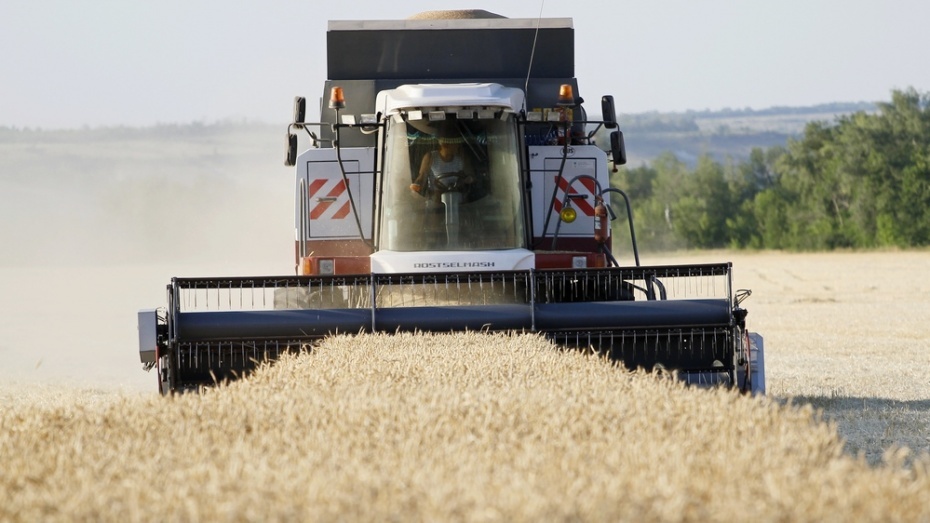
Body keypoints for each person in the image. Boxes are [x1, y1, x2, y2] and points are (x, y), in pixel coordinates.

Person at [409, 131, 475, 200]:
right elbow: (422, 177)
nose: (458, 146)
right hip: (436, 200)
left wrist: (468, 179)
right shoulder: (431, 157)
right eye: (455, 144)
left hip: (456, 197)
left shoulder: (461, 158)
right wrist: (415, 188)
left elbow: (471, 175)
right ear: (445, 145)